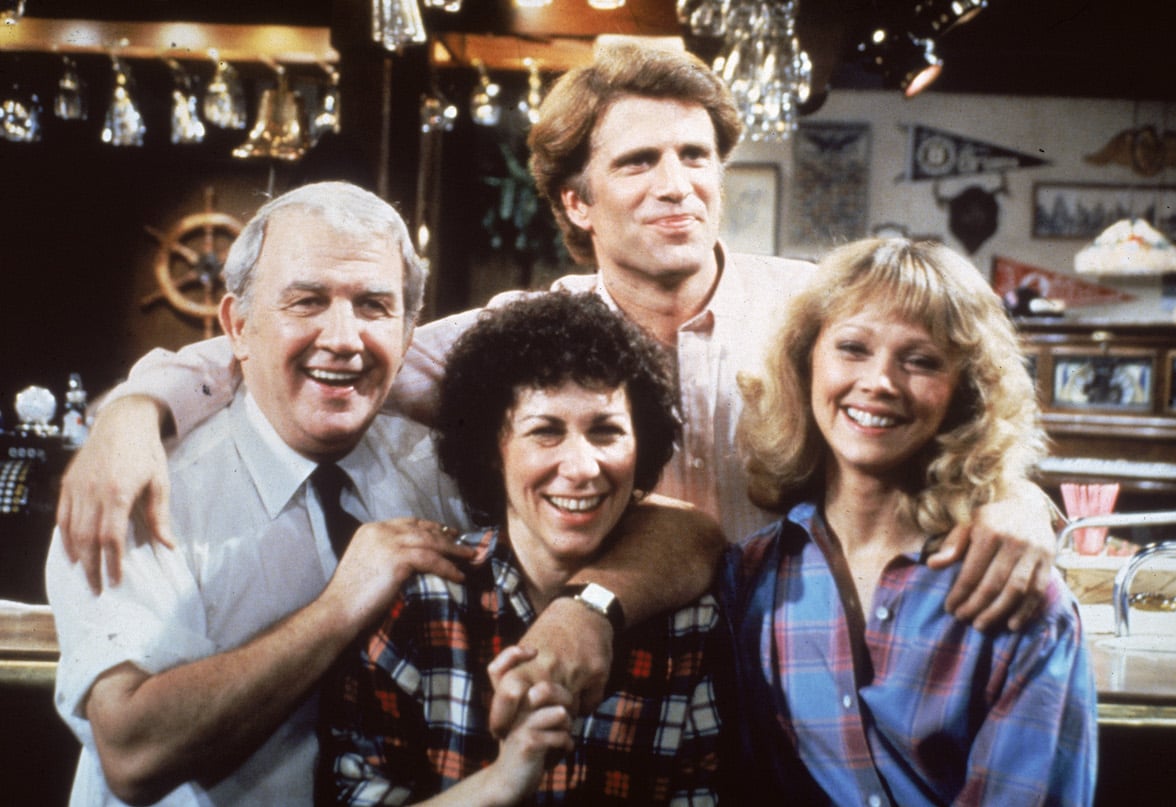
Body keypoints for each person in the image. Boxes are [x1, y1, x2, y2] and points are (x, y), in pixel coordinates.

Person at [55, 43, 1056, 732]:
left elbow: (961, 409)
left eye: (697, 156)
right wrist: (135, 410)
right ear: (576, 199)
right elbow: (324, 350)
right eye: (640, 161)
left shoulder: (811, 311)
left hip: (819, 684)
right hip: (622, 696)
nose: (680, 183)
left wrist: (1018, 502)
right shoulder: (521, 339)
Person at [45, 181, 478, 805]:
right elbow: (134, 754)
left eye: (374, 306)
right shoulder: (136, 485)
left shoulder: (443, 473)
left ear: (411, 331)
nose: (344, 338)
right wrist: (341, 604)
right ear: (237, 326)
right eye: (306, 301)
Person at [722, 238, 1097, 806]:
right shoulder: (753, 577)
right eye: (852, 348)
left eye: (919, 360)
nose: (880, 382)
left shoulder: (1017, 595)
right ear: (805, 365)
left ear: (964, 394)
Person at [319, 292, 724, 805]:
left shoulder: (690, 626)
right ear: (493, 450)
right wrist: (502, 782)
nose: (581, 468)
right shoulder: (420, 604)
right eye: (545, 432)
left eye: (606, 432)